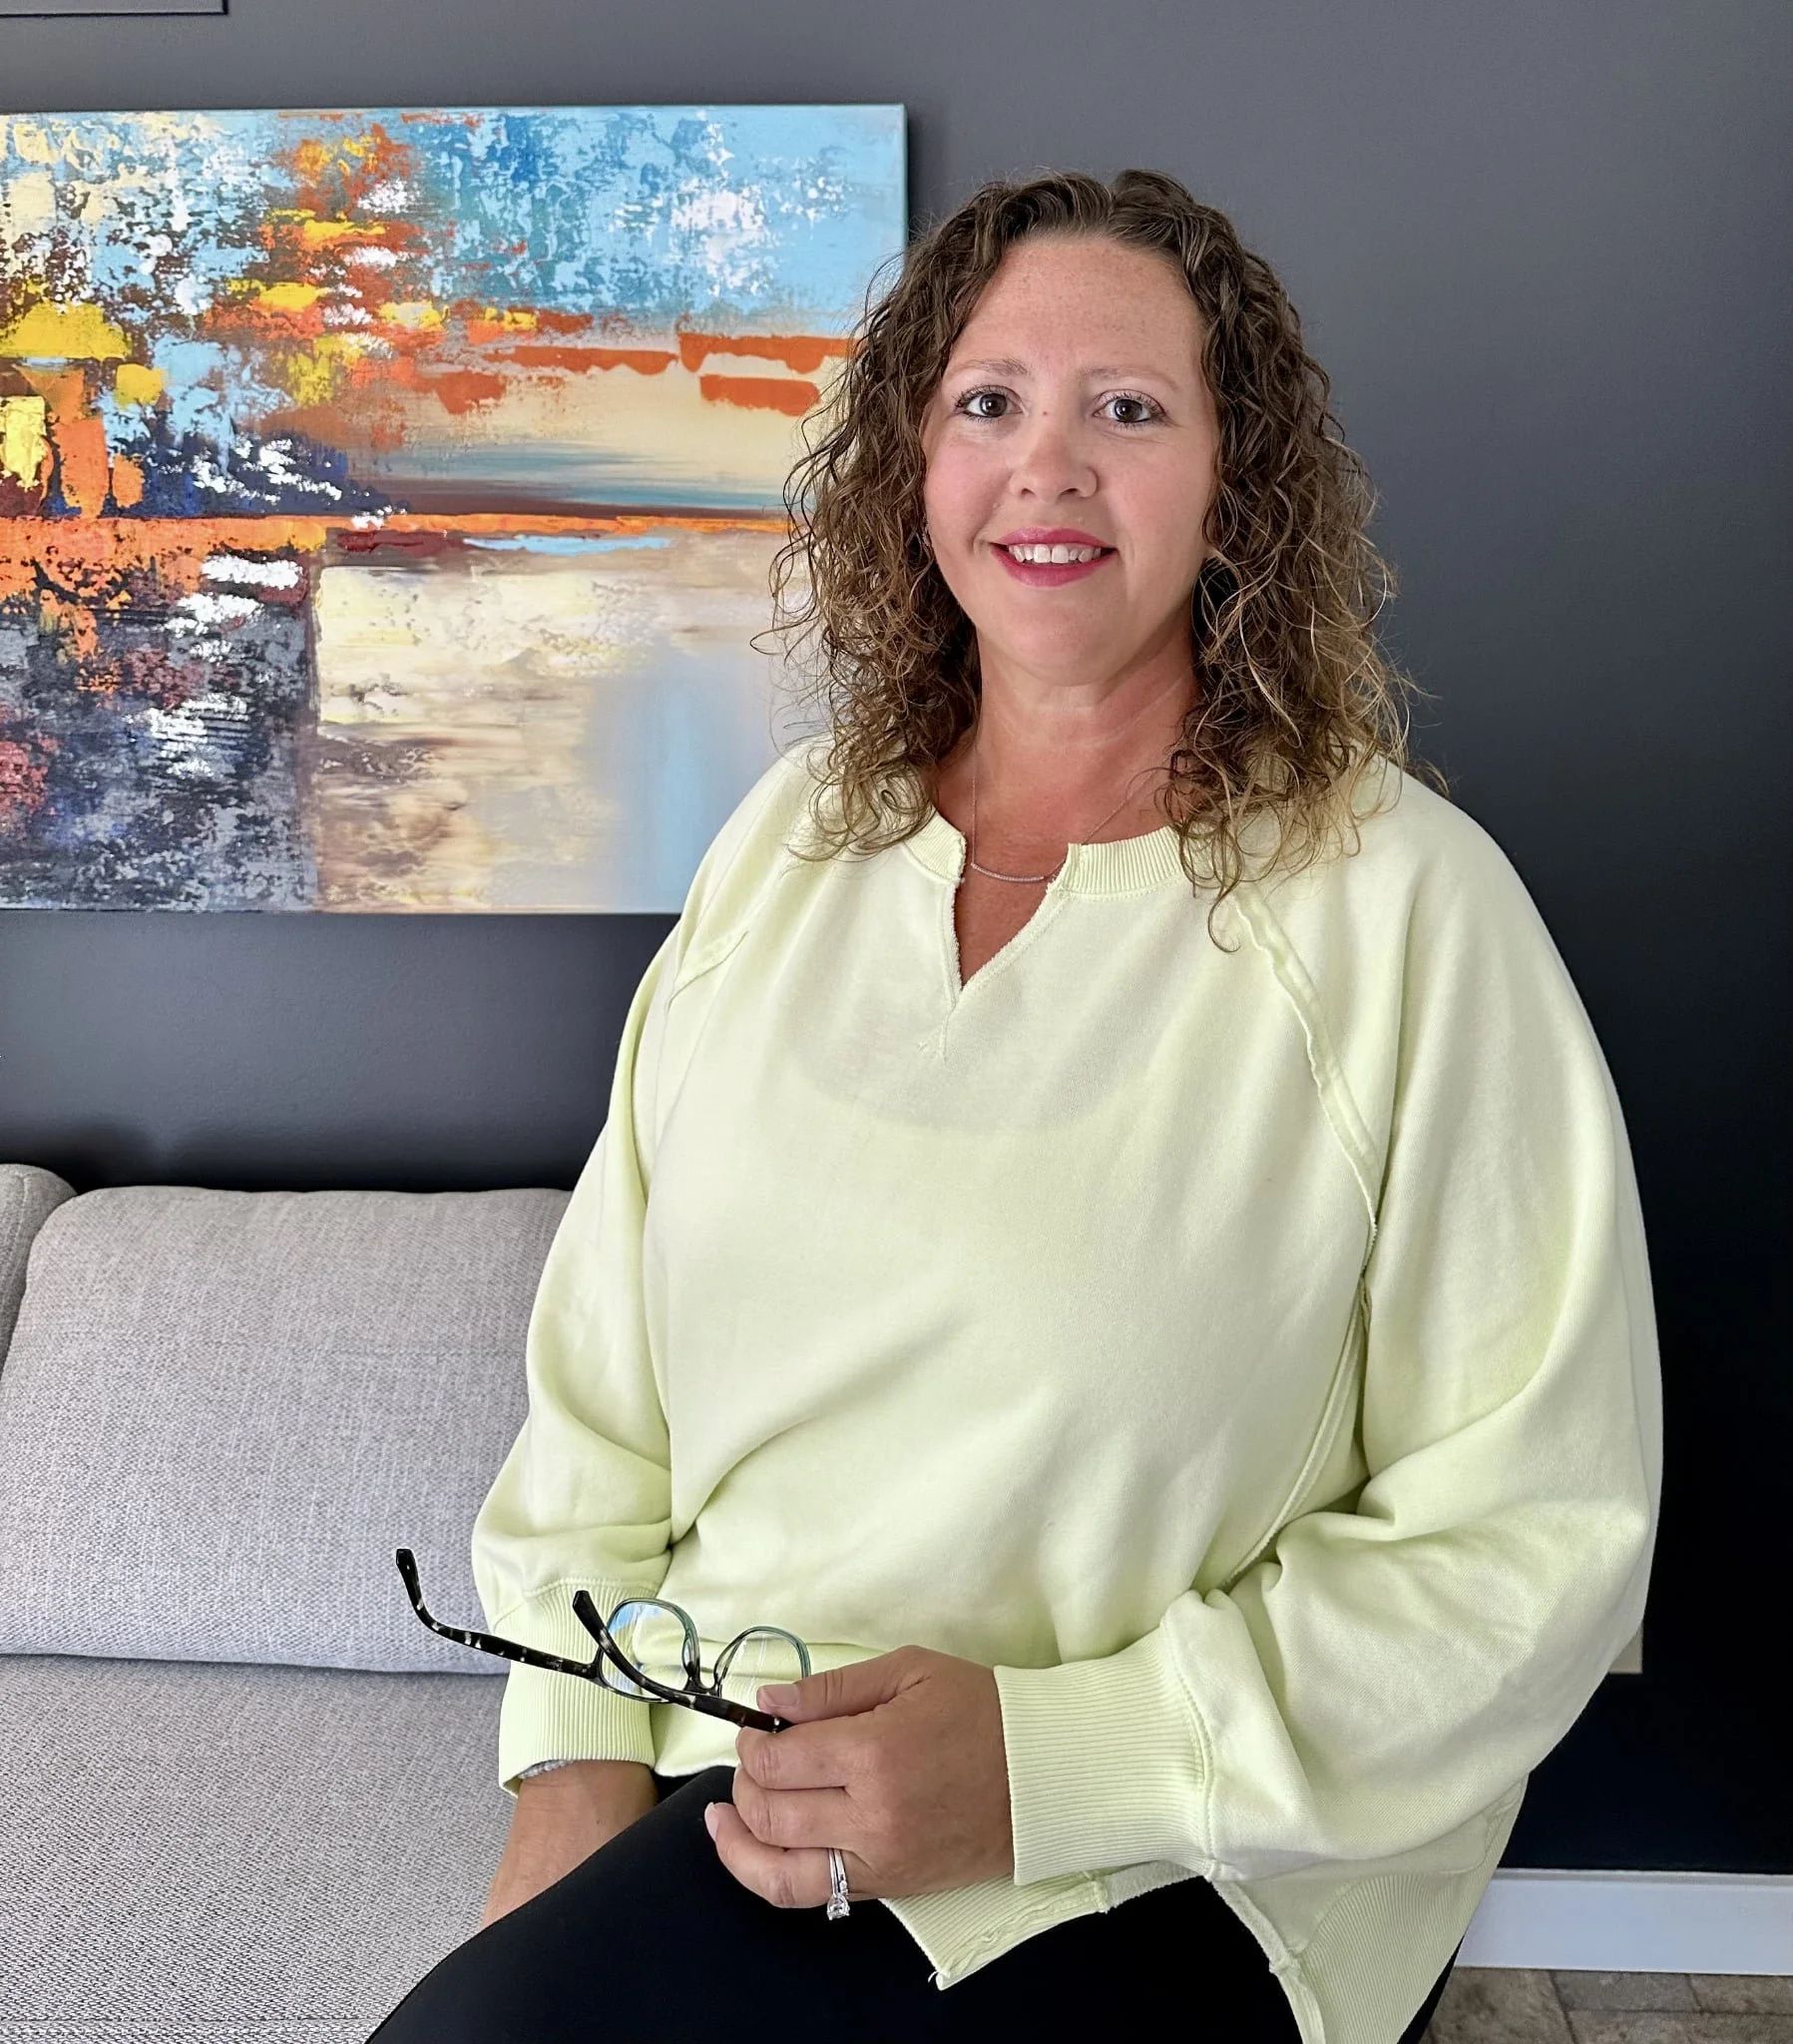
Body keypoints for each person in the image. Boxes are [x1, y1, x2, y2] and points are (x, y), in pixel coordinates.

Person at [368, 169, 1661, 2044]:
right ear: (916, 461)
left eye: (1126, 411)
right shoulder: (788, 848)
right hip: (725, 1765)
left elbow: (1536, 1543)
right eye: (989, 404)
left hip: (1170, 1845)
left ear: (1237, 485)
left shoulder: (1406, 912)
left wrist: (1052, 1761)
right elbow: (600, 1382)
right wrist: (568, 1745)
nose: (1046, 468)